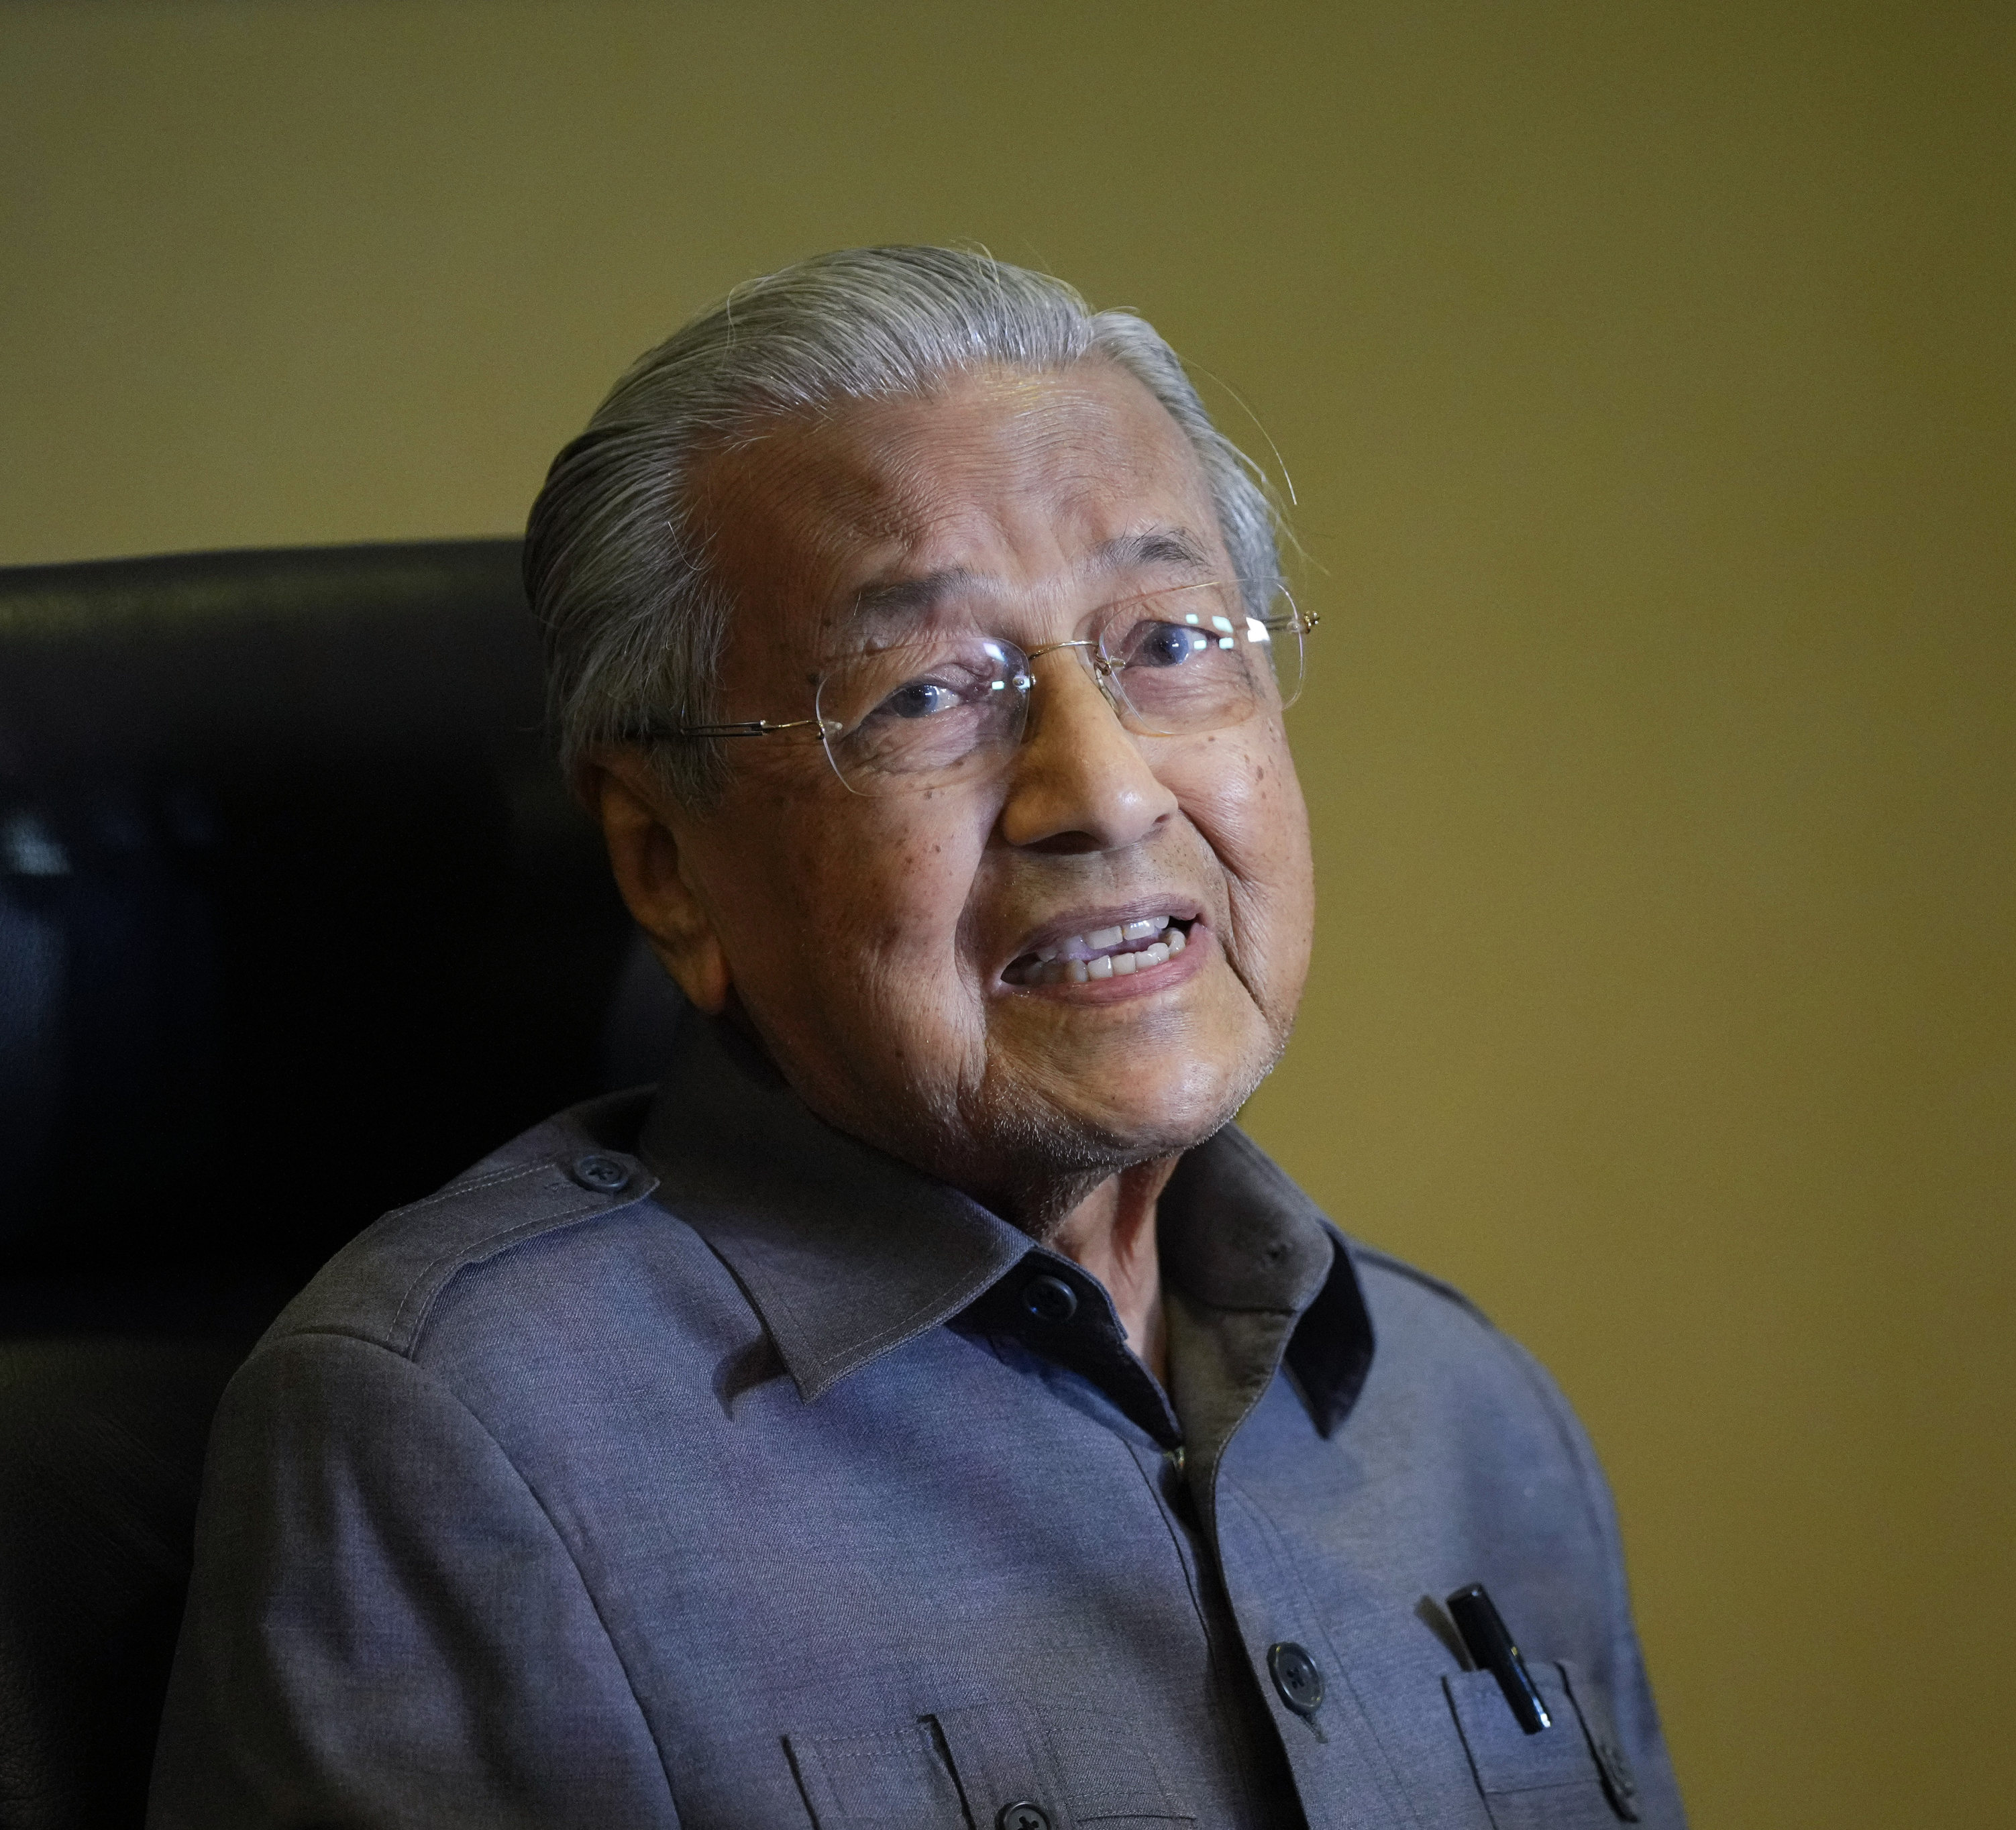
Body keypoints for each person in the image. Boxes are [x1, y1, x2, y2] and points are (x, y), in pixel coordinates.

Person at [149, 247, 1681, 1830]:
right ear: (667, 862)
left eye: (1168, 642)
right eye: (930, 691)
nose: (1102, 788)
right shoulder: (465, 1437)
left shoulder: (1470, 1414)